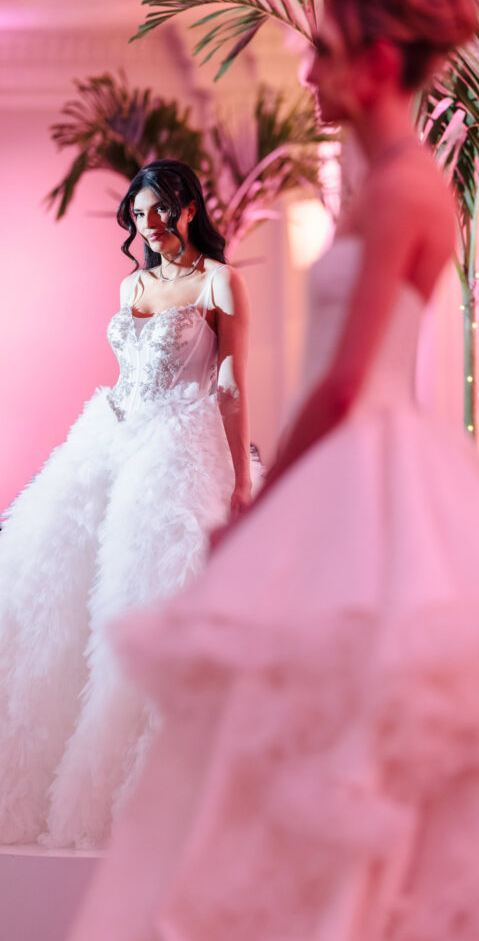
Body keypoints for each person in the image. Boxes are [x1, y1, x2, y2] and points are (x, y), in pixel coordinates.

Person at [72, 0, 479, 939]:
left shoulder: (405, 188)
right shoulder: (374, 184)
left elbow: (348, 381)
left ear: (379, 62)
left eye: (323, 51)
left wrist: (253, 515)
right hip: (356, 469)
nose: (305, 68)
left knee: (379, 735)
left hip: (368, 468)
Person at [0, 159, 255, 849]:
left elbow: (228, 385)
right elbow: (126, 371)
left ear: (189, 210)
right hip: (113, 430)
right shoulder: (133, 282)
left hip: (179, 440)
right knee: (46, 578)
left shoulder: (217, 281)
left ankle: (131, 795)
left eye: (160, 212)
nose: (149, 226)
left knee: (143, 591)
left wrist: (238, 478)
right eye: (139, 216)